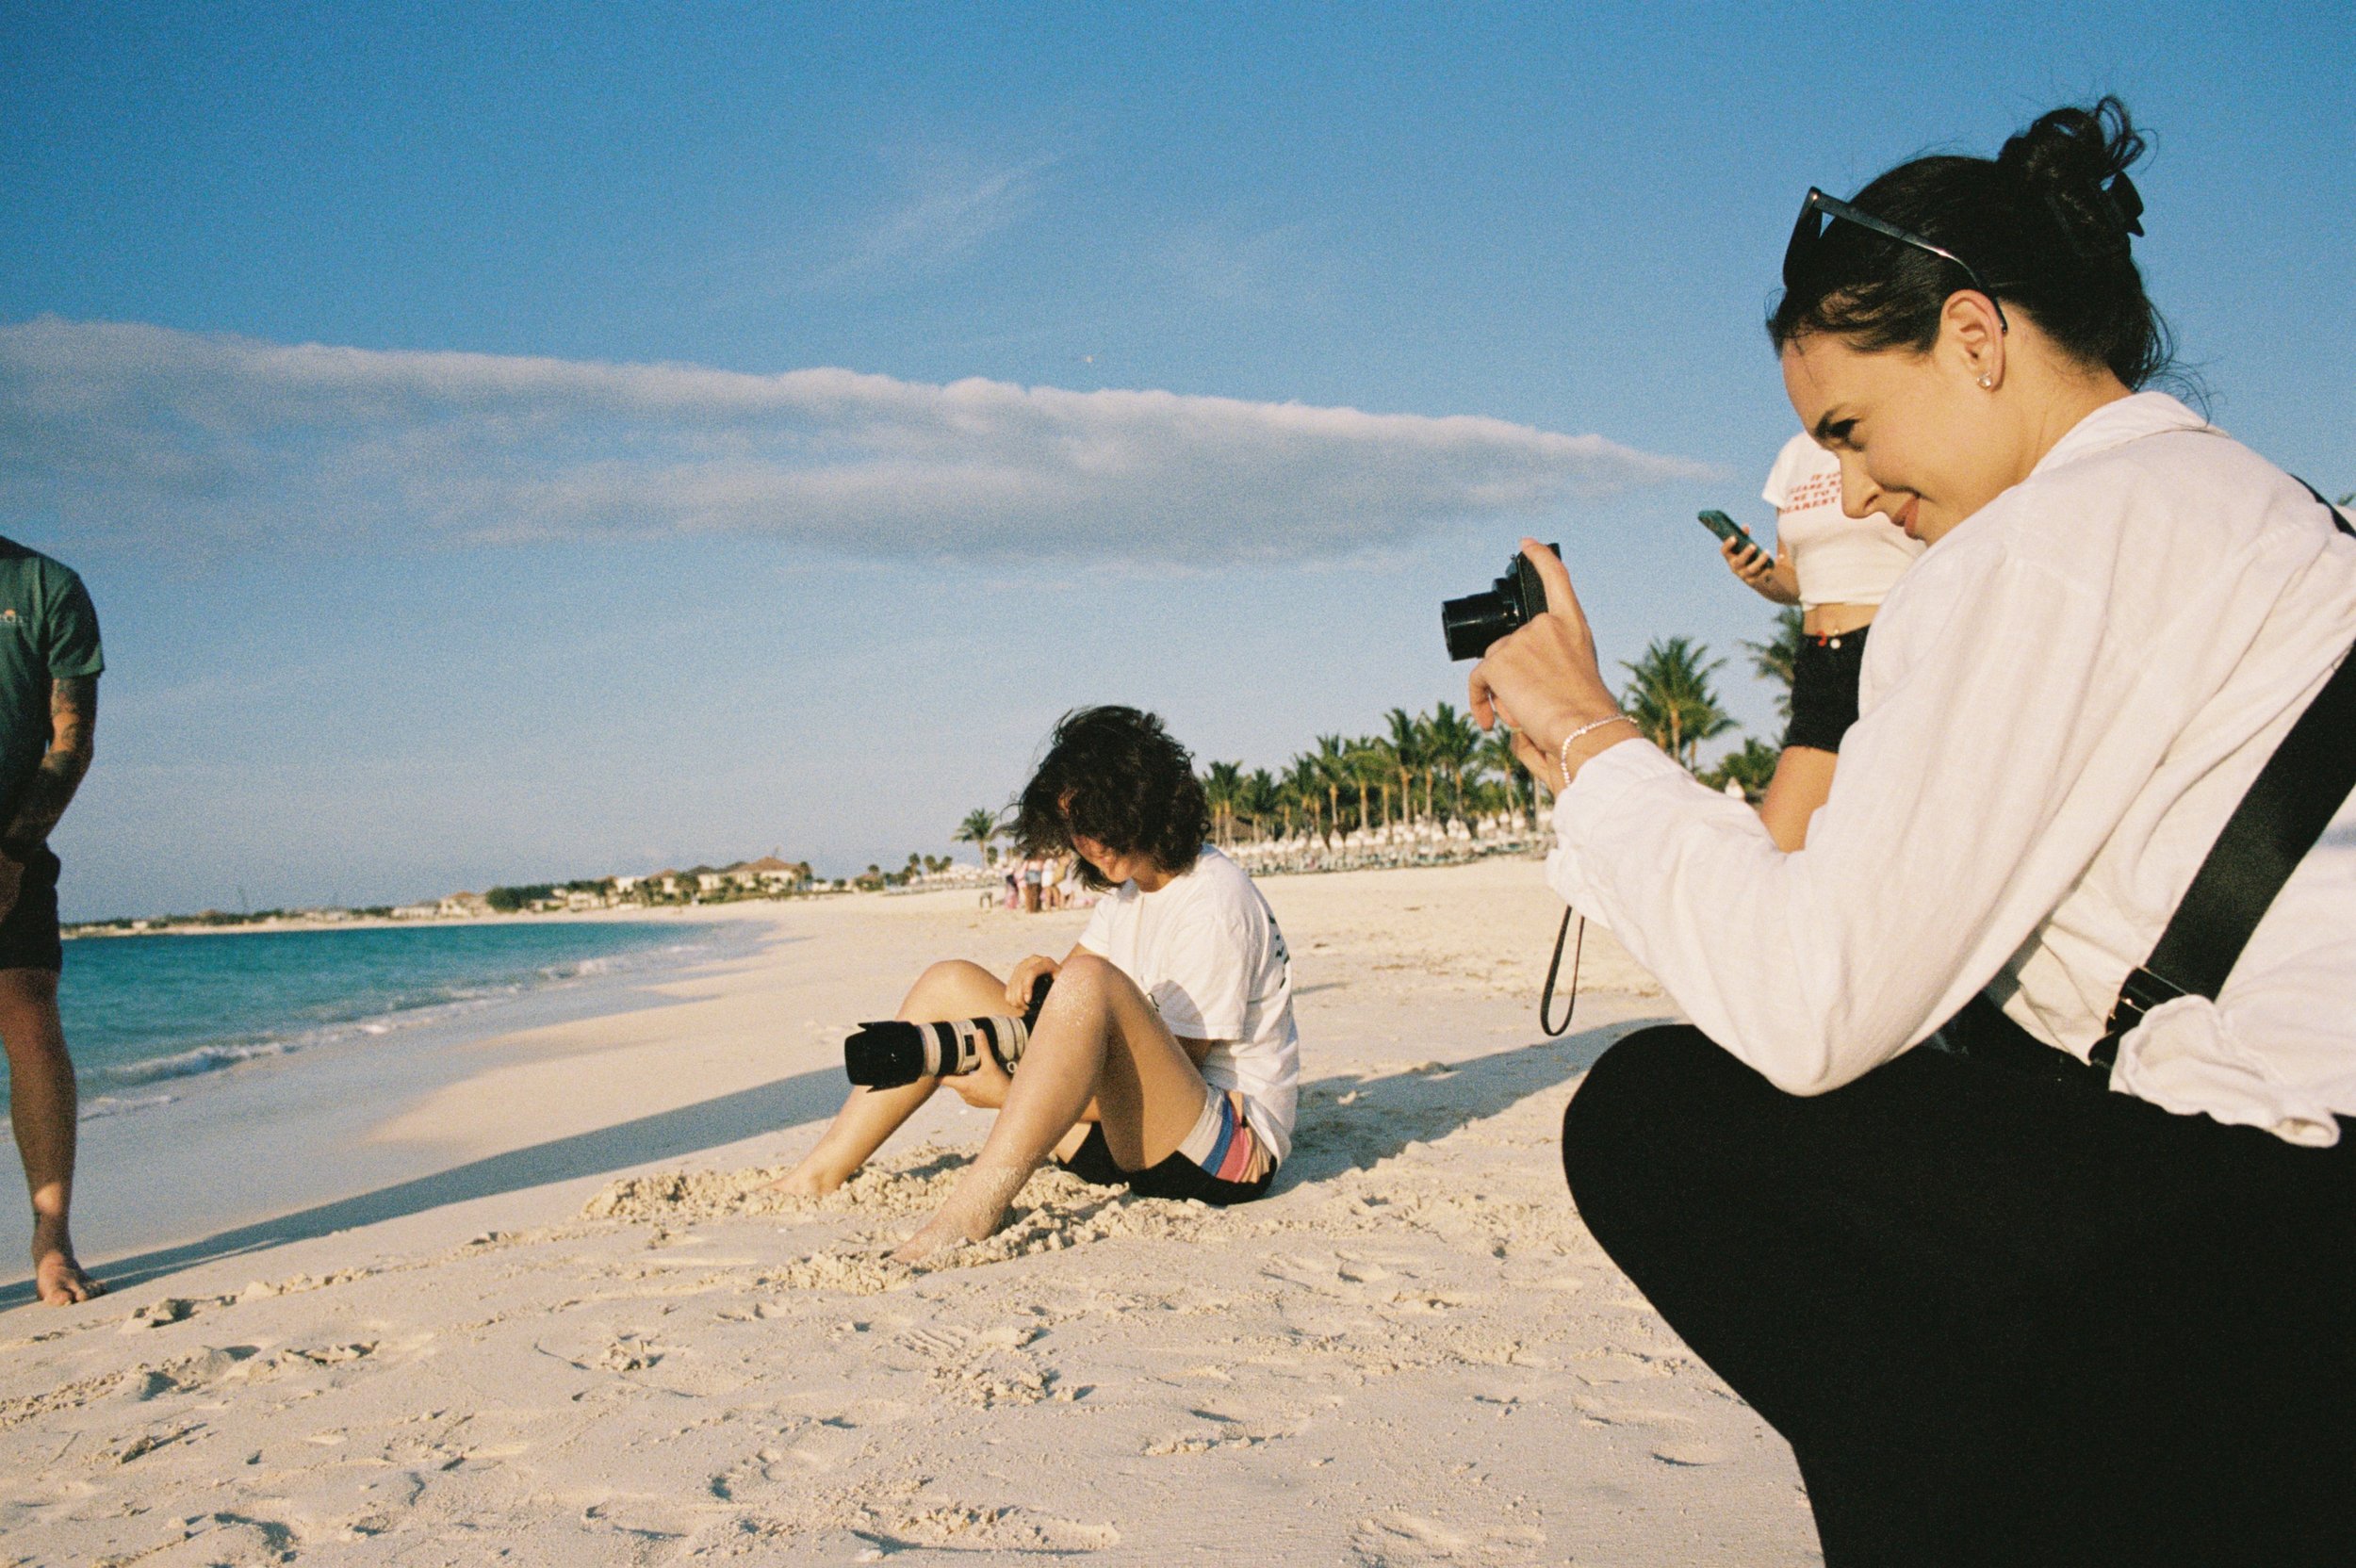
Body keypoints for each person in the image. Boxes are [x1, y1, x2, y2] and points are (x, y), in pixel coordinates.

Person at [1469, 100, 2352, 1563]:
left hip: (2285, 1248)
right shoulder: (2243, 506)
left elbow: (1813, 1007)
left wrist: (1588, 737)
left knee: (1663, 1122)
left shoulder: (2047, 543)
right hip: (2286, 1205)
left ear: (1975, 338)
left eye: (1851, 429)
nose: (1858, 489)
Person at [774, 706, 1299, 1263]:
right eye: (1075, 825)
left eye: (1100, 817)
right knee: (948, 983)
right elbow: (1071, 995)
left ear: (1145, 802)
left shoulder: (1213, 901)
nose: (1089, 841)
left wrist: (1004, 1093)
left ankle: (968, 1216)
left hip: (1222, 1150)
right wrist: (1040, 973)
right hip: (1122, 1141)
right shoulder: (1132, 892)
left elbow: (1169, 1060)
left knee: (1088, 981)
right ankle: (816, 1173)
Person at [1719, 432, 1923, 846]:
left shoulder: (1903, 431)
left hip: (1892, 649)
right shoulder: (1794, 455)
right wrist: (1758, 576)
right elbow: (1794, 581)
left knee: (1900, 840)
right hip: (1818, 664)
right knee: (1777, 851)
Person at [0, 539, 105, 1306]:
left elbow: (70, 741)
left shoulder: (44, 587)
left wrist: (10, 853)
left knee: (29, 1014)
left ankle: (51, 1236)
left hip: (14, 839)